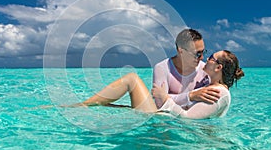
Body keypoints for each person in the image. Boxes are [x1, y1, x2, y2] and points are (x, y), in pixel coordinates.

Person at [82, 50, 244, 119]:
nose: (206, 59)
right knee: (114, 105)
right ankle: (86, 105)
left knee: (131, 80)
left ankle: (80, 105)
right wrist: (189, 96)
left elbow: (188, 119)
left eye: (211, 58)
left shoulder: (220, 94)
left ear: (218, 67)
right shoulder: (211, 86)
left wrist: (164, 99)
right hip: (162, 118)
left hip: (160, 123)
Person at [153, 29, 220, 109]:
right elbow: (160, 102)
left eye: (203, 52)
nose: (202, 57)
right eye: (197, 54)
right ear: (181, 51)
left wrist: (169, 97)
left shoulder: (205, 70)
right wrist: (191, 96)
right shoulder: (163, 68)